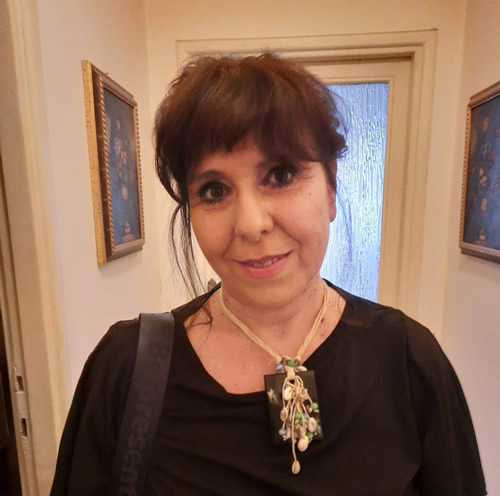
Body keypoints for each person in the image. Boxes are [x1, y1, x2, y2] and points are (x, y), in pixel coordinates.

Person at [51, 53, 486, 495]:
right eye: (214, 190)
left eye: (280, 175)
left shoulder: (409, 363)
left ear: (330, 188)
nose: (251, 224)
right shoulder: (126, 372)